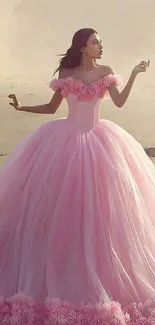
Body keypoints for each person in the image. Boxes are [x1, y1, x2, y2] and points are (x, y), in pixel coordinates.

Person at [0, 27, 154, 324]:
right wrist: (22, 107)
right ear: (83, 47)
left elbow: (119, 103)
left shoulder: (106, 72)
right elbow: (52, 107)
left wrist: (134, 73)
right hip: (65, 141)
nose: (100, 46)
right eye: (96, 42)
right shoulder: (67, 73)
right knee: (60, 211)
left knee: (104, 213)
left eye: (100, 42)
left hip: (101, 142)